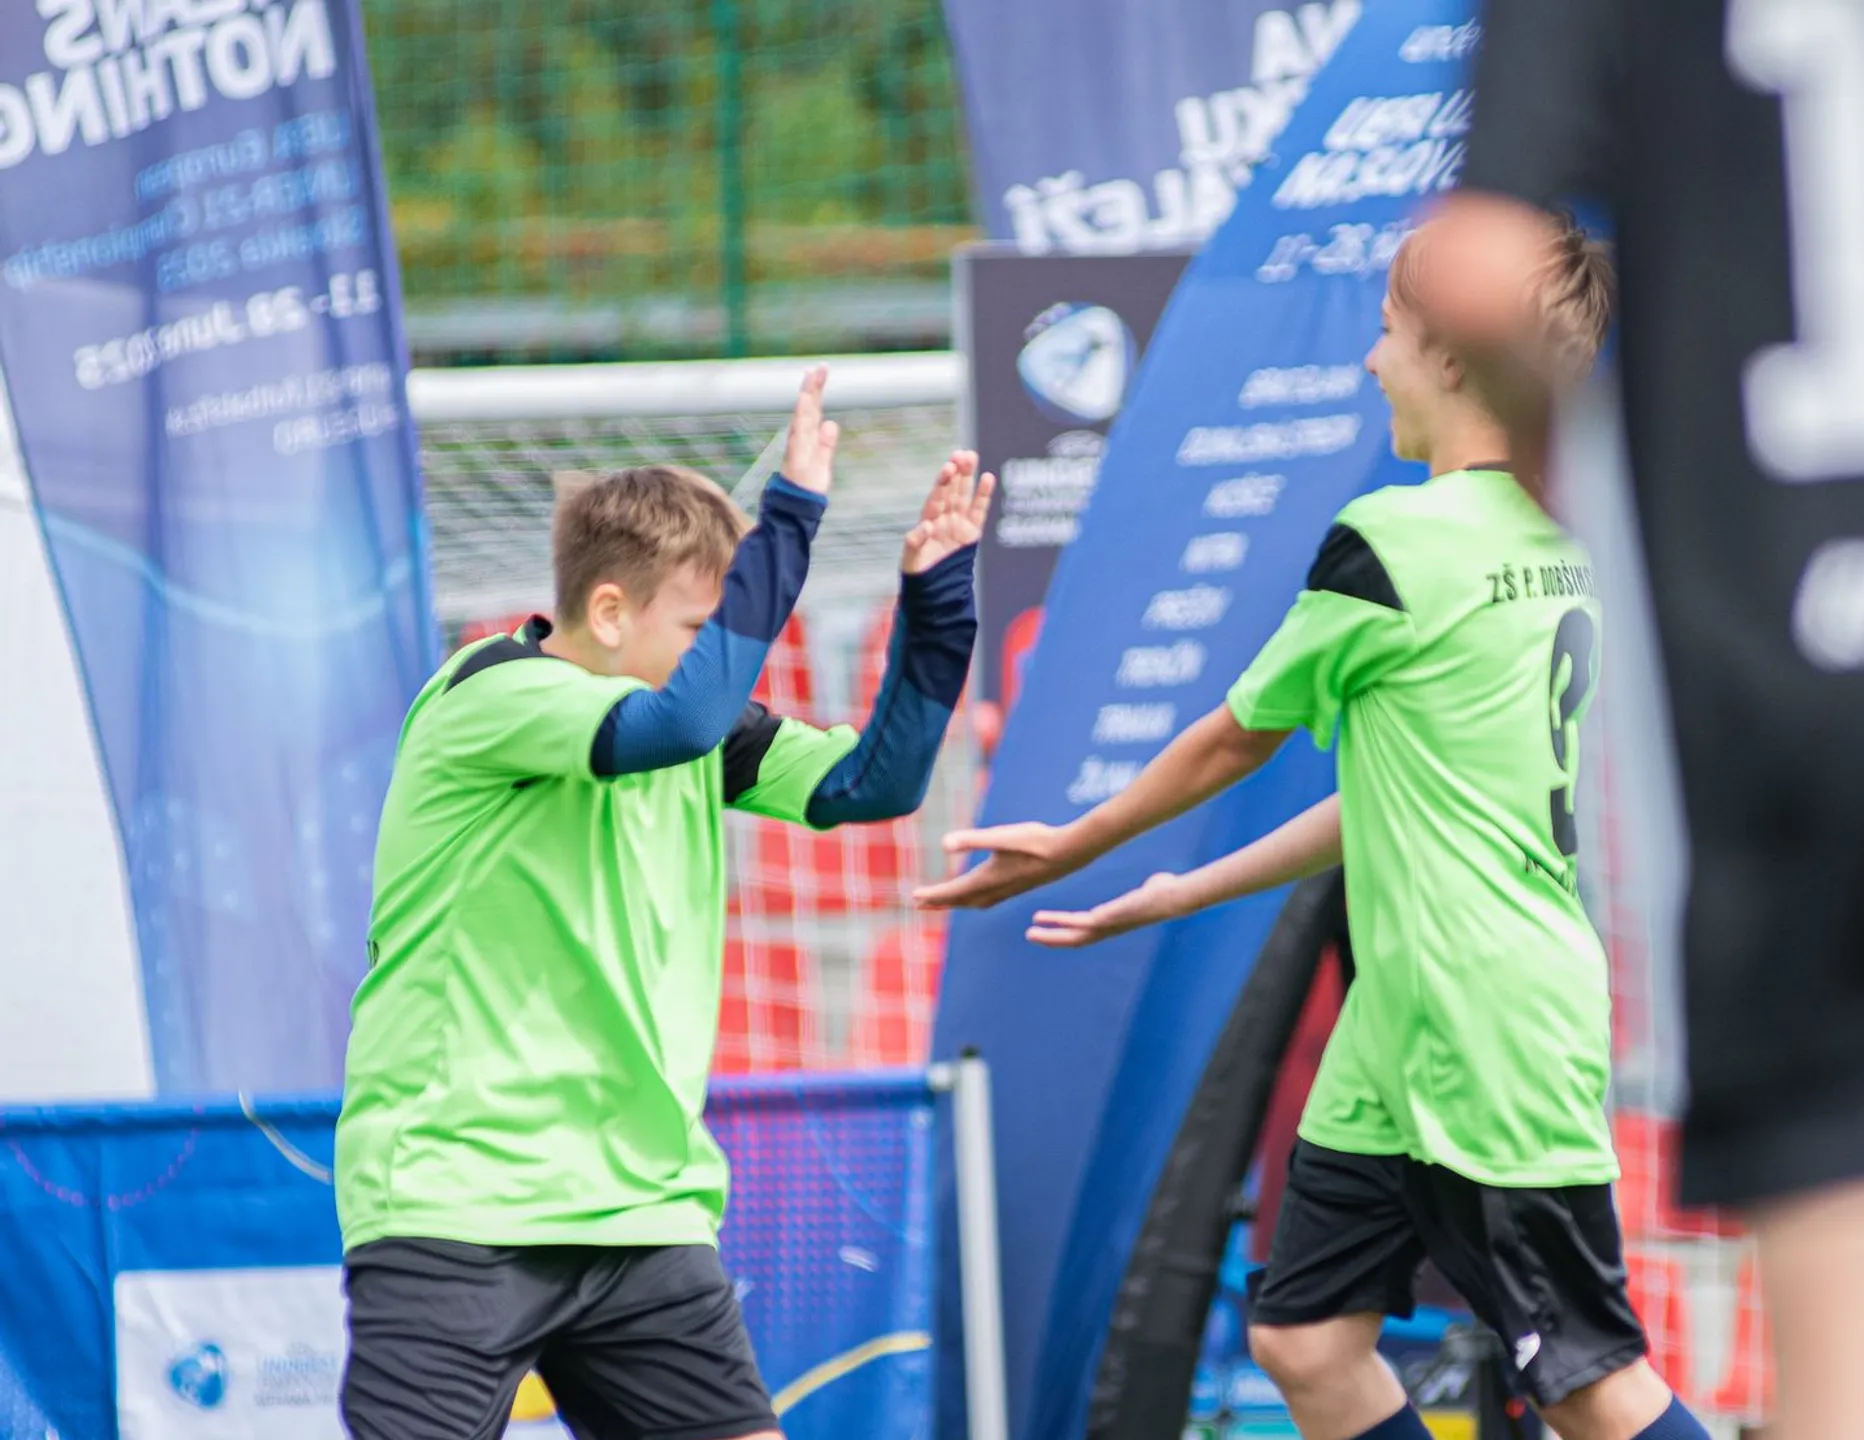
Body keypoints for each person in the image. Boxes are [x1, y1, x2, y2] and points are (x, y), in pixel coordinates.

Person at [918, 221, 1709, 1440]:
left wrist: (1077, 840)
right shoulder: (1560, 547)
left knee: (1592, 1384)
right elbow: (1403, 796)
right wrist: (1182, 891)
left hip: (1488, 1030)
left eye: (1389, 331)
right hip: (1403, 1033)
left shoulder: (1394, 543)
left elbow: (1233, 741)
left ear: (1450, 357)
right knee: (1302, 1338)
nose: (1369, 361)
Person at [1405, 6, 1864, 1437]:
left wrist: (1558, 452)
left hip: (1798, 683)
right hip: (1486, 1034)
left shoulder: (1394, 564)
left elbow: (1484, 260)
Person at [335, 367, 990, 1440]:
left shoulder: (699, 727)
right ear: (607, 612)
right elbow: (680, 725)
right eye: (703, 627)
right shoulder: (490, 696)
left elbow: (878, 784)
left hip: (641, 1209)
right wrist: (794, 516)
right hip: (455, 1198)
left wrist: (937, 600)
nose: (727, 665)